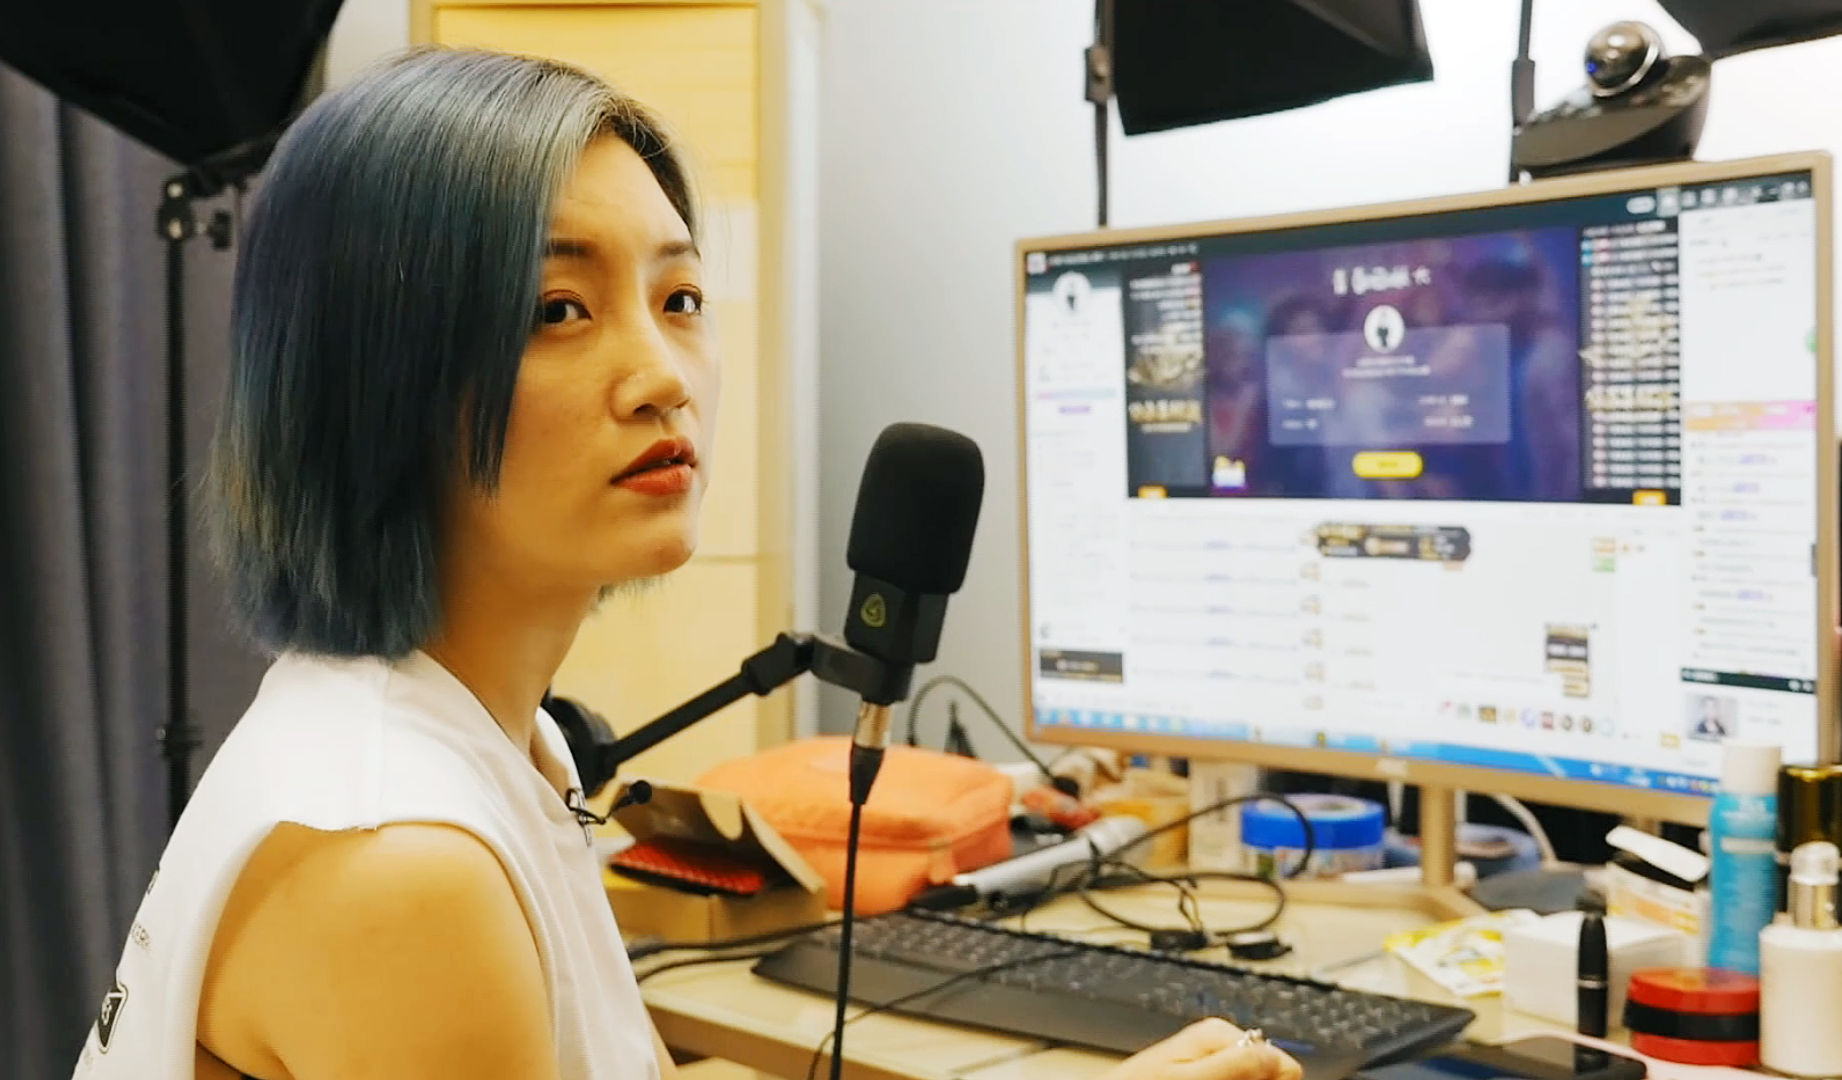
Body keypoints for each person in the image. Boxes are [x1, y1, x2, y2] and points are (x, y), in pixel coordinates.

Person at [70, 48, 1300, 1080]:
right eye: (559, 309)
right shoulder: (400, 866)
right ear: (374, 381)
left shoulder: (478, 739)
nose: (664, 376)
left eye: (681, 298)